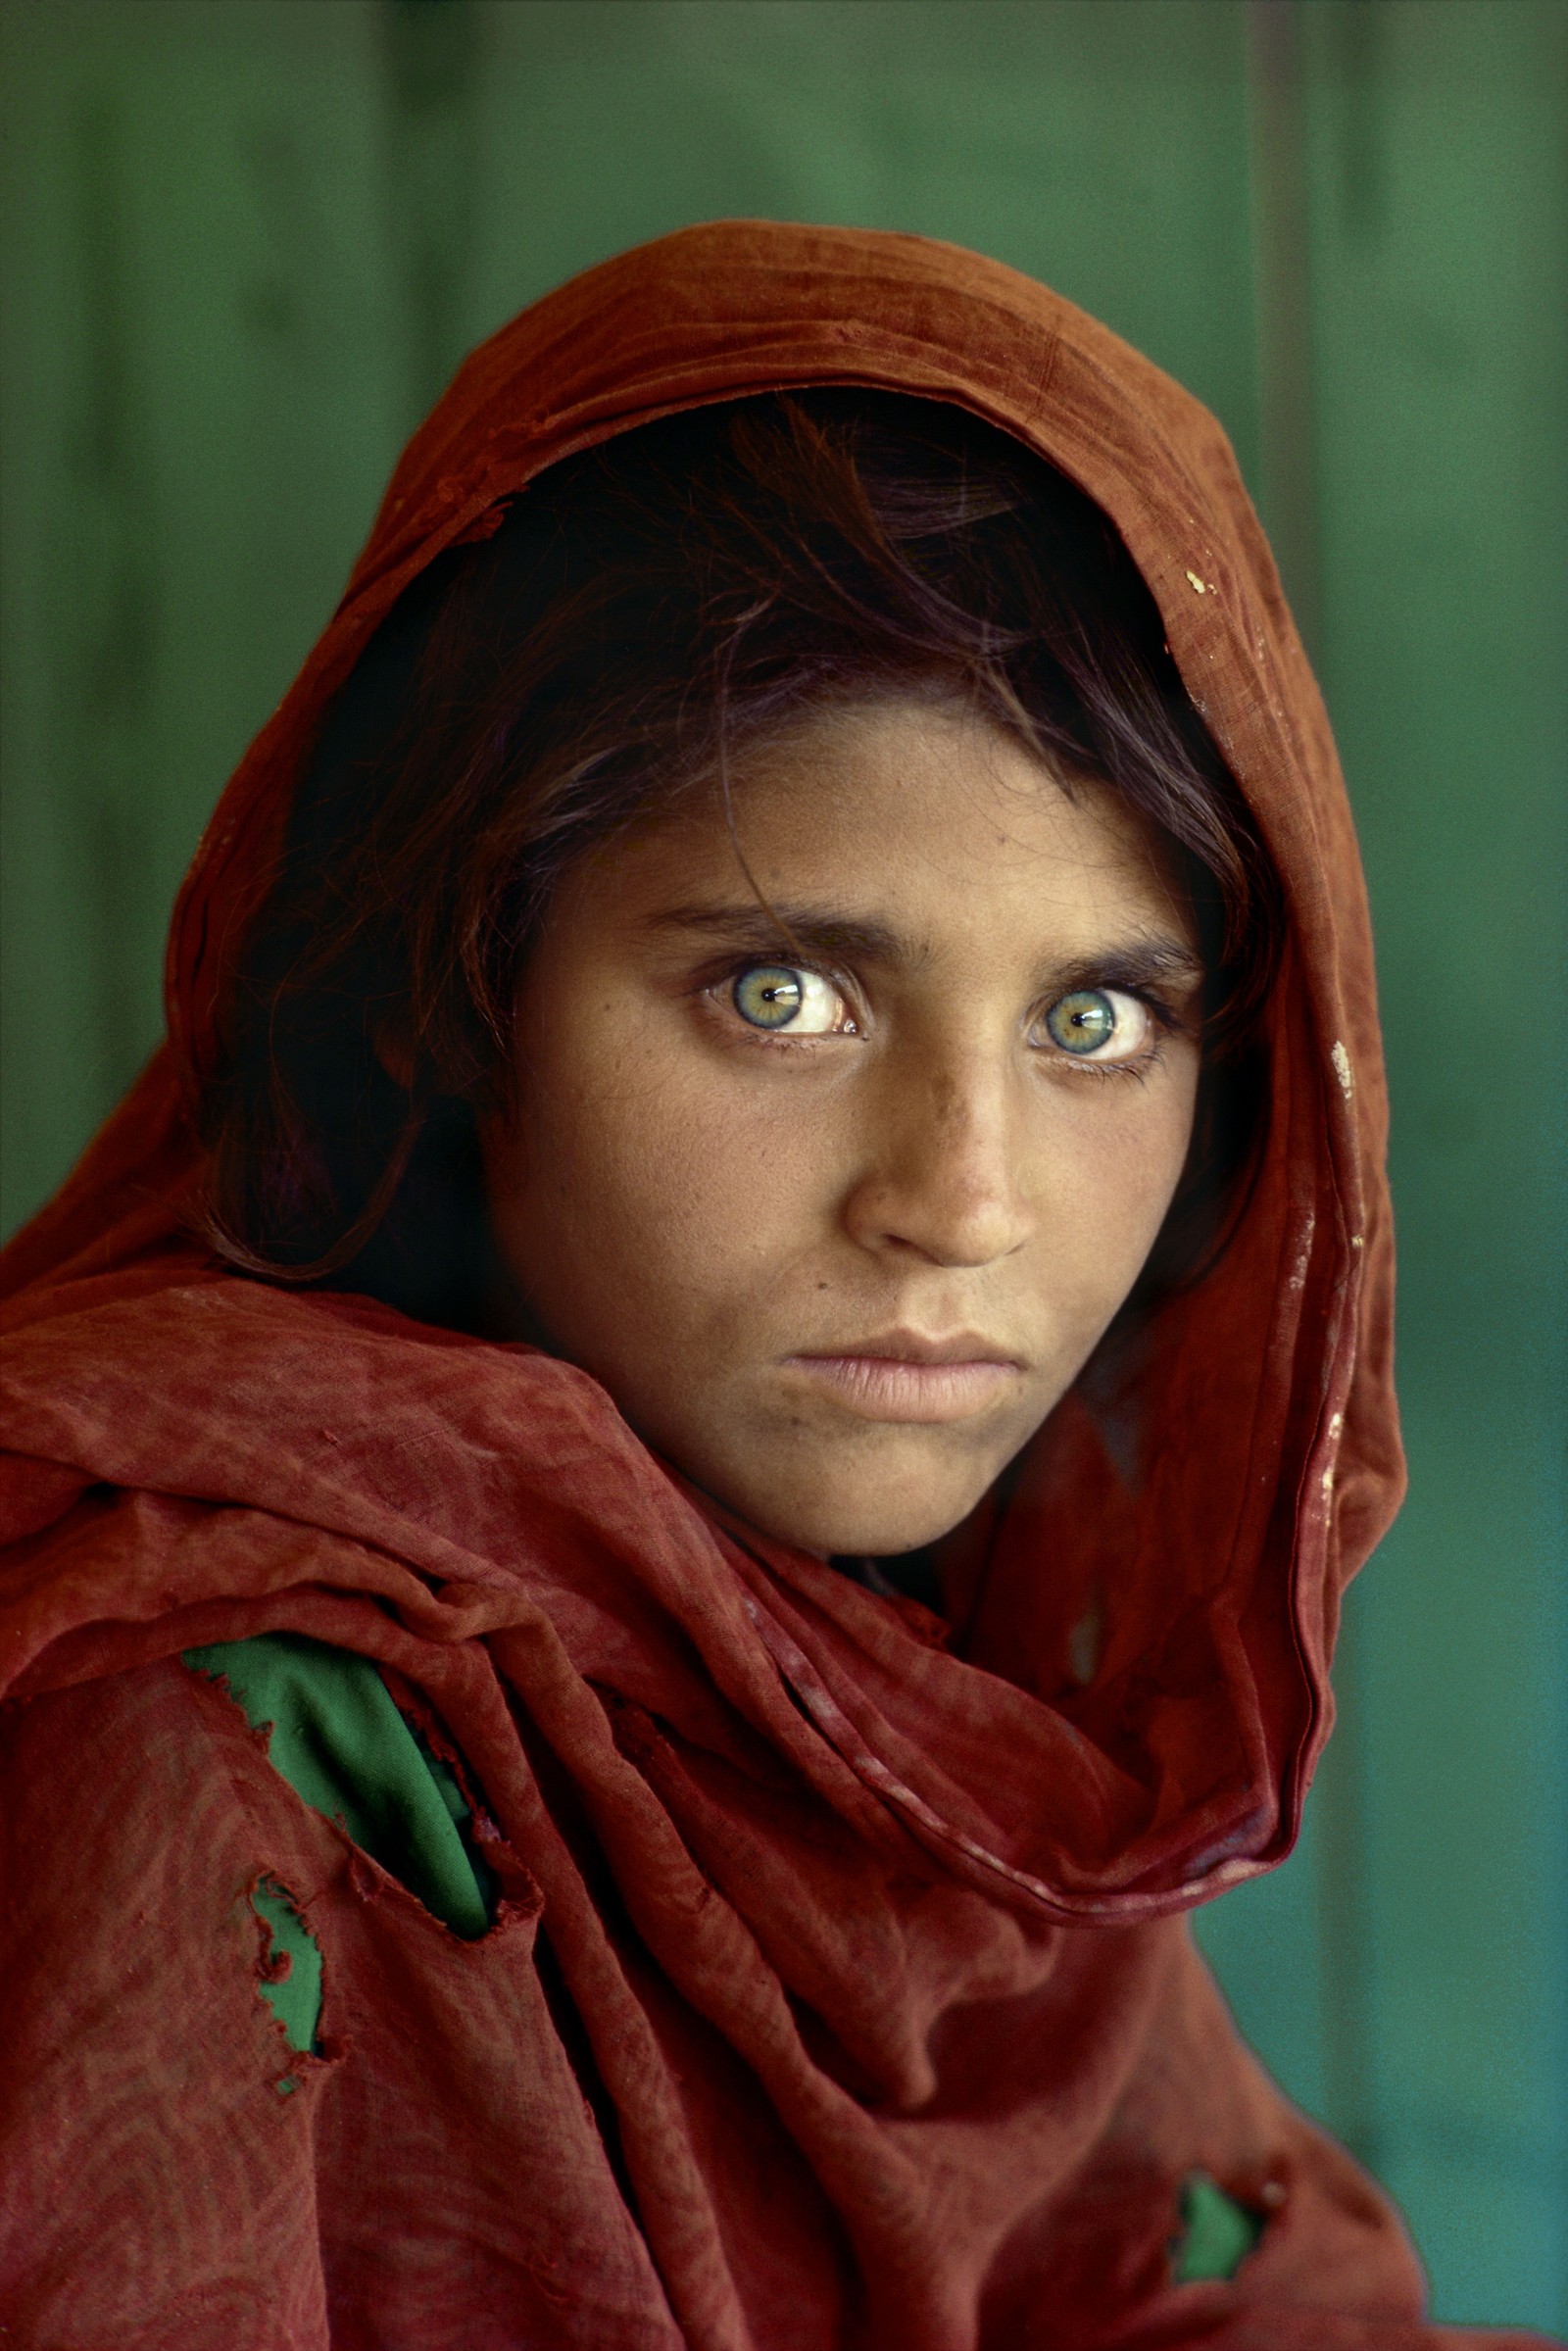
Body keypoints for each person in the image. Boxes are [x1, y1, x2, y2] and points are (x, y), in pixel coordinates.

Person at [0, 222, 1548, 2351]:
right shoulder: (193, 1733)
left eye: (1094, 1023)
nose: (963, 1202)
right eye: (780, 988)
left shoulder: (914, 1720)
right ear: (456, 998)